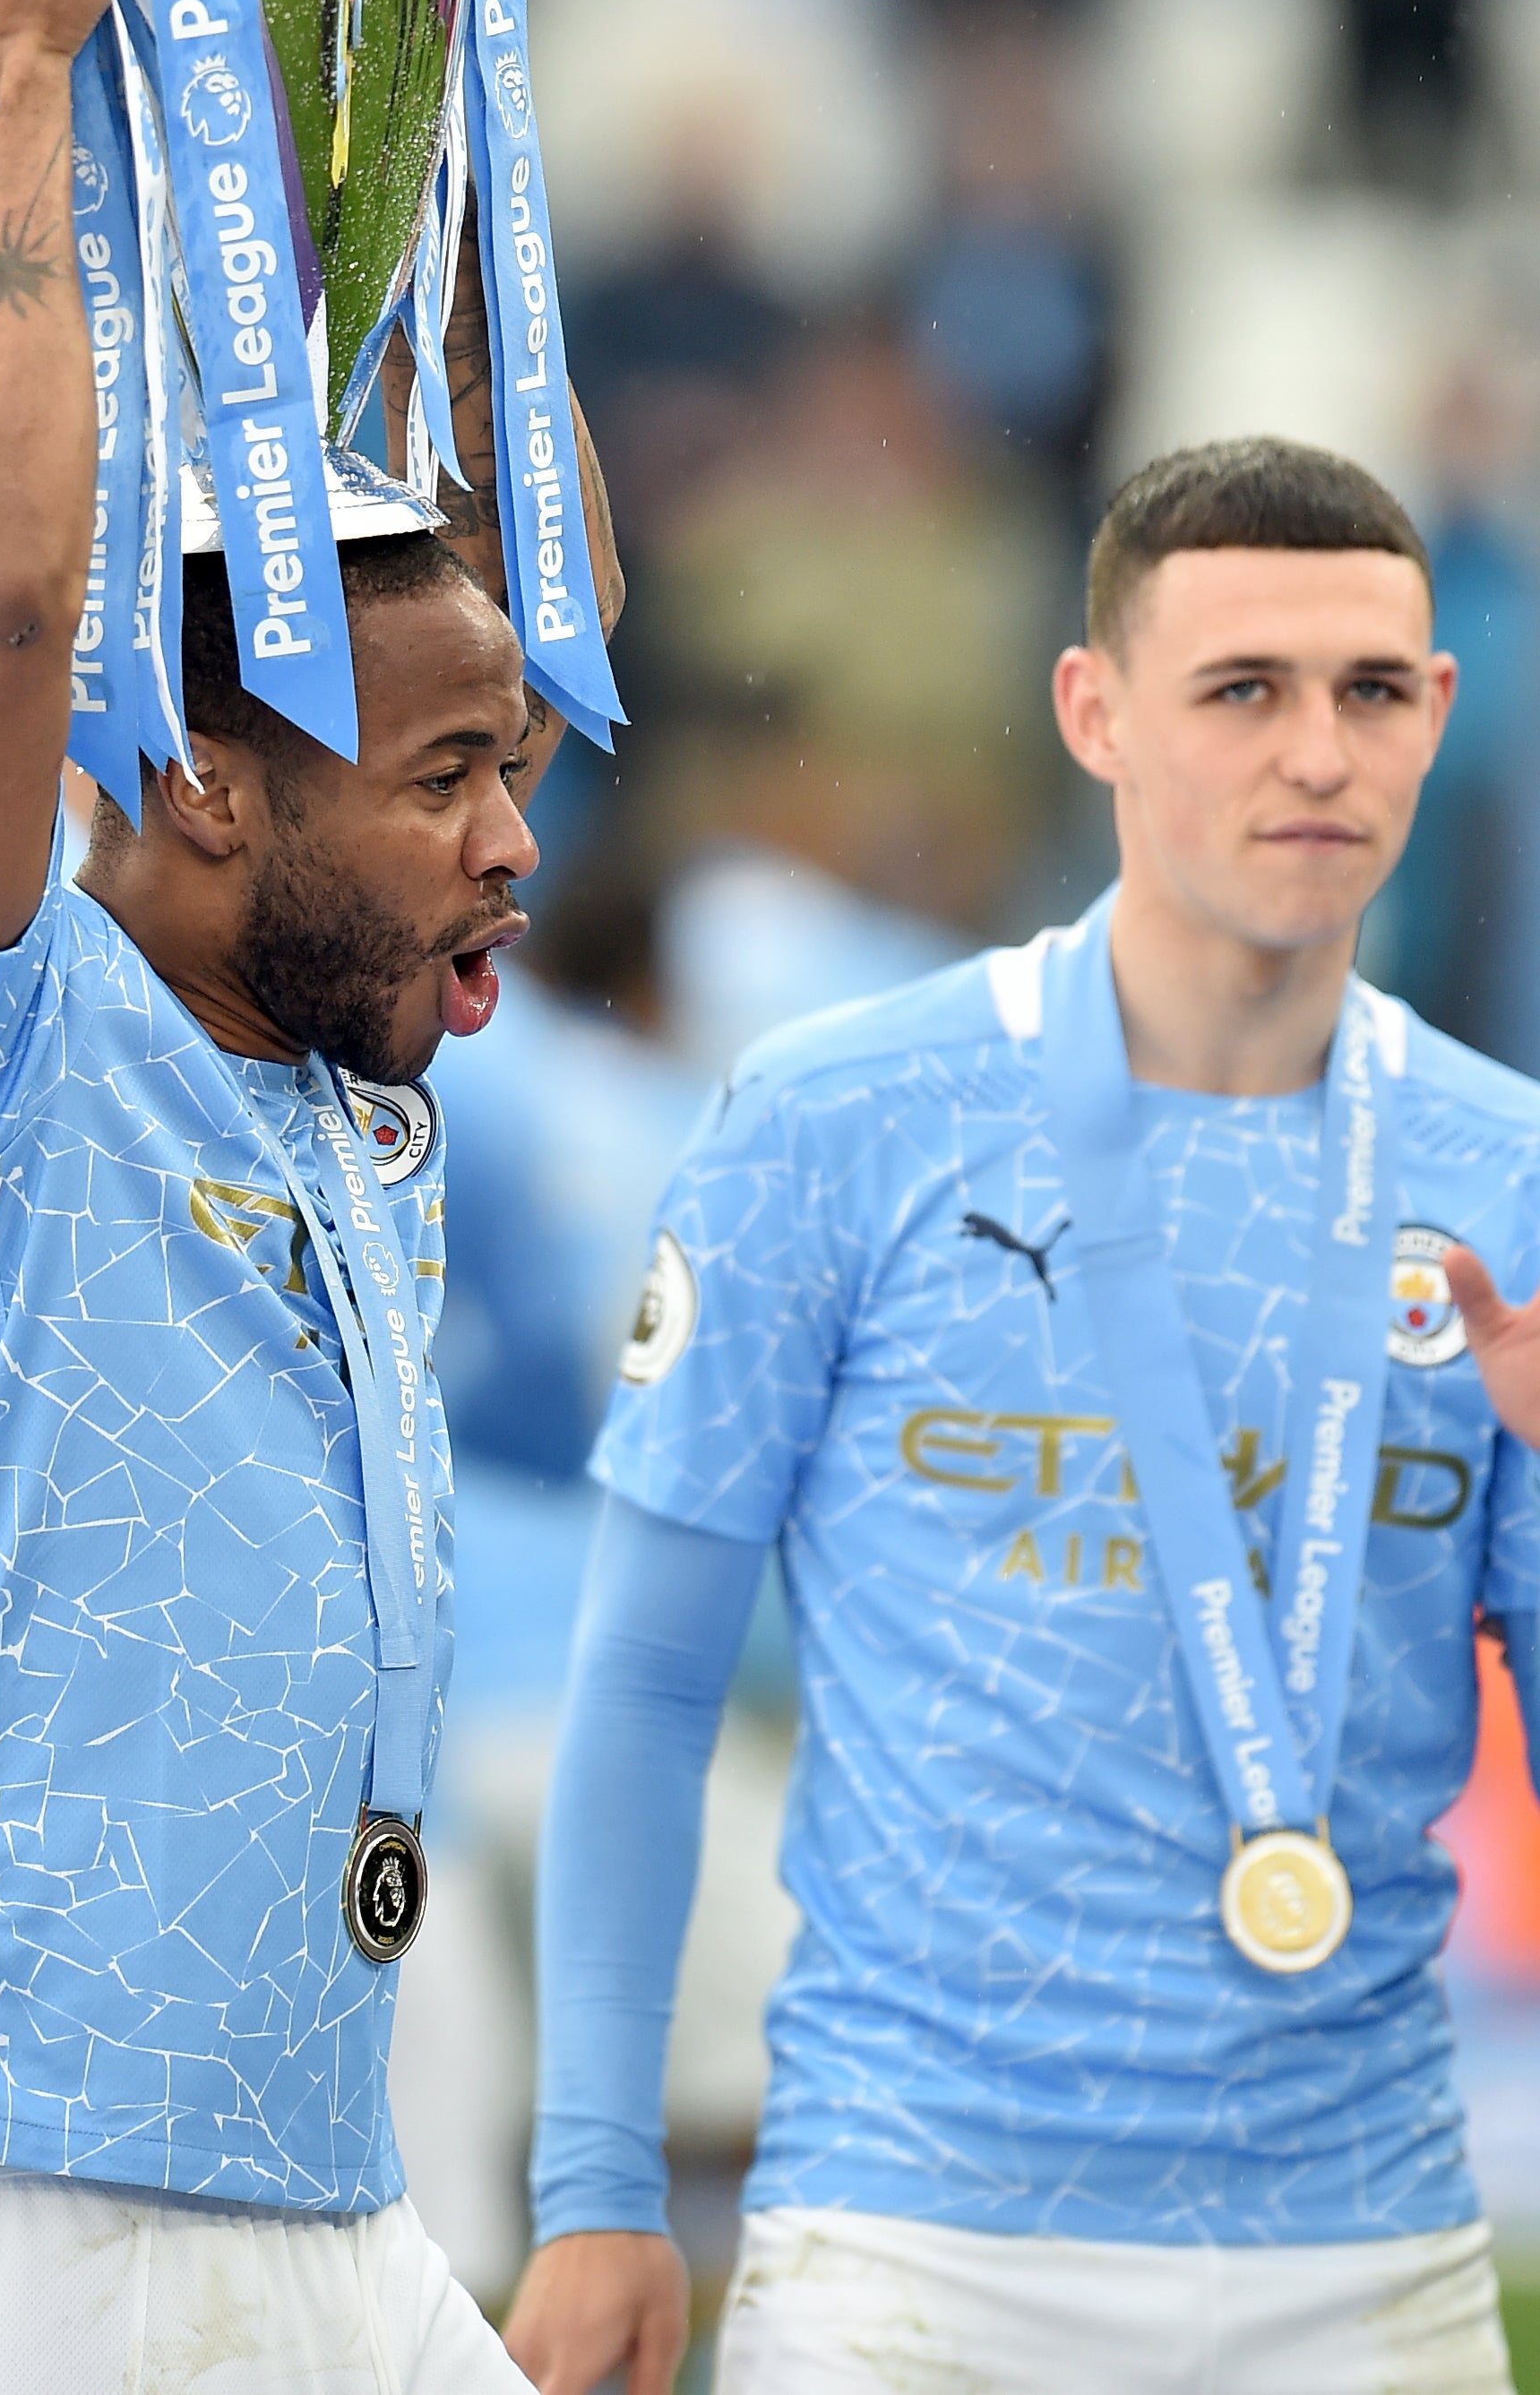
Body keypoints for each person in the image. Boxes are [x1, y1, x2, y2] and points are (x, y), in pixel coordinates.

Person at [0, 0, 620, 2395]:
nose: (517, 833)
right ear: (210, 795)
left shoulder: (346, 1067)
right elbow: (9, 598)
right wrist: (6, 51)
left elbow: (521, 541)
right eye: (456, 774)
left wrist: (431, 78)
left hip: (310, 2199)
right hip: (28, 2218)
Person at [508, 434, 1540, 2395]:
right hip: (910, 2246)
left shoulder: (1507, 1174)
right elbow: (639, 1683)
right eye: (1239, 689)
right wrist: (591, 2186)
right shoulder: (835, 1118)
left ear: (1437, 712)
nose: (1313, 753)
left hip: (1366, 2250)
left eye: (1367, 690)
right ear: (1094, 712)